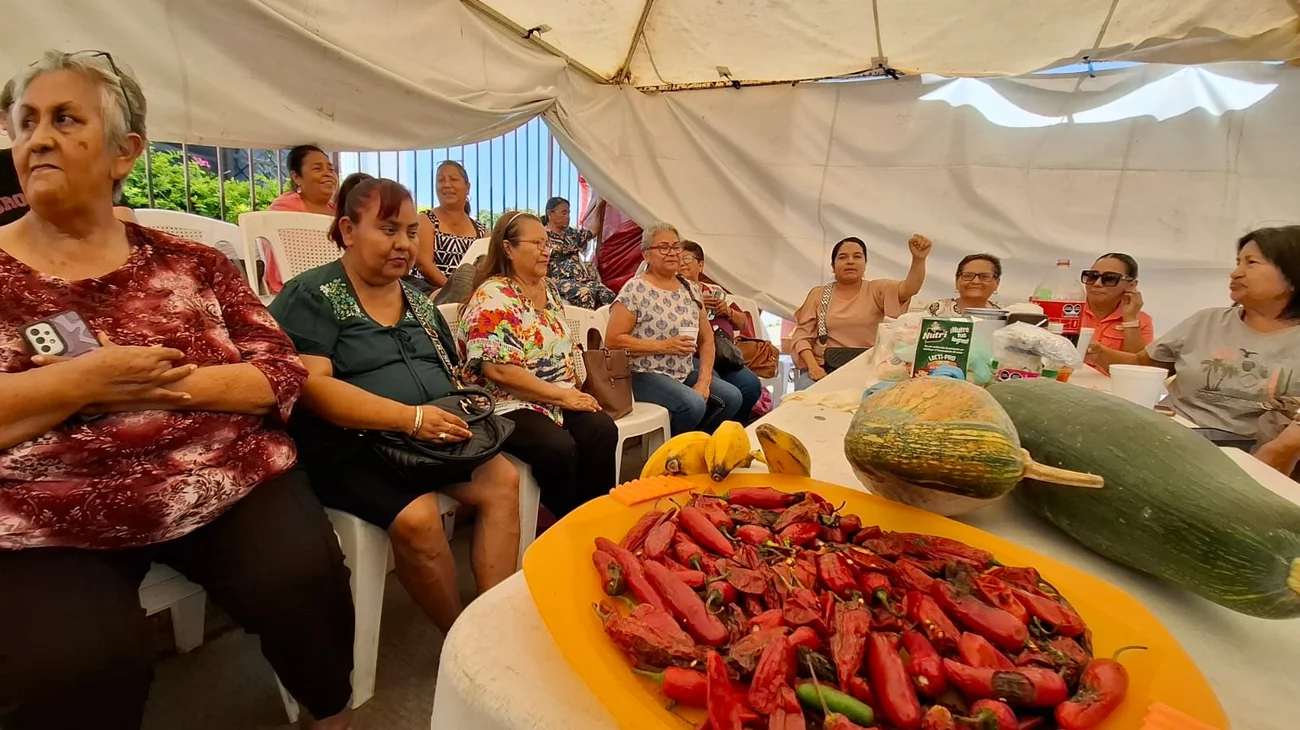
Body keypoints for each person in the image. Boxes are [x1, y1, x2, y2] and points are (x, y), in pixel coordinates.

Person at [0, 51, 354, 730]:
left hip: (219, 477)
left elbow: (279, 372)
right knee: (74, 664)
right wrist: (81, 380)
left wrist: (153, 385)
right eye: (25, 122)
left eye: (65, 119)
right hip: (45, 515)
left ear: (124, 152)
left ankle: (330, 715)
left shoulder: (193, 262)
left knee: (303, 577)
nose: (37, 138)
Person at [269, 172, 520, 634]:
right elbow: (312, 386)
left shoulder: (418, 302)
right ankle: (459, 637)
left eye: (409, 232)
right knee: (419, 518)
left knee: (503, 479)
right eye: (388, 230)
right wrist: (409, 417)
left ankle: (492, 625)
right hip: (348, 442)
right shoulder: (315, 294)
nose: (403, 244)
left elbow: (448, 371)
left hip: (427, 433)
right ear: (347, 230)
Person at [1088, 227, 1300, 476]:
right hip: (1167, 435)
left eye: (1251, 263)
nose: (1236, 273)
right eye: (1237, 262)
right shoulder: (1206, 321)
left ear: (1293, 275)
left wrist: (1280, 450)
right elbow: (1144, 366)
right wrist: (1094, 352)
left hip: (1244, 461)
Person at [458, 211, 618, 516]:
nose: (548, 250)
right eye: (538, 243)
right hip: (505, 401)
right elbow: (499, 370)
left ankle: (595, 516)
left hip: (553, 396)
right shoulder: (494, 296)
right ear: (508, 248)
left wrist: (572, 390)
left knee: (602, 429)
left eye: (548, 243)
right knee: (557, 447)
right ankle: (566, 520)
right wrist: (564, 395)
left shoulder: (549, 289)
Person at [607, 222, 747, 435]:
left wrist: (704, 382)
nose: (672, 253)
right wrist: (663, 346)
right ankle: (669, 452)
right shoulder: (635, 289)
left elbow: (707, 340)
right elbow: (613, 340)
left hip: (682, 370)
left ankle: (692, 445)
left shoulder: (689, 289)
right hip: (641, 373)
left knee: (732, 397)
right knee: (693, 404)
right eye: (663, 247)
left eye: (676, 247)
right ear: (646, 254)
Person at [791, 234, 932, 387]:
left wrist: (919, 260)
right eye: (843, 257)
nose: (850, 261)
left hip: (869, 369)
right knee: (804, 389)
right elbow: (801, 336)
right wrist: (813, 367)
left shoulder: (876, 289)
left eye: (857, 256)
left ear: (865, 264)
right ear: (833, 265)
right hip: (824, 368)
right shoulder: (819, 294)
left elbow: (909, 288)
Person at [2, 76, 136, 227]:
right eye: (28, 121)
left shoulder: (88, 167)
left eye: (64, 119)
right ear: (3, 118)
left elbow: (124, 228)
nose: (39, 139)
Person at [679, 240, 763, 421]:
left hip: (724, 355)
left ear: (700, 265)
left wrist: (728, 311)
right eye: (678, 258)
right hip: (694, 355)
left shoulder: (714, 291)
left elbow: (743, 323)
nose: (681, 263)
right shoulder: (675, 291)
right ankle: (708, 431)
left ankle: (735, 425)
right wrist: (696, 305)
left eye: (686, 258)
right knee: (720, 386)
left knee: (751, 385)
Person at [413, 159, 488, 289]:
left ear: (468, 187)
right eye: (441, 180)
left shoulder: (481, 231)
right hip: (429, 293)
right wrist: (451, 290)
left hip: (469, 297)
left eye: (453, 179)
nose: (447, 185)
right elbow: (424, 264)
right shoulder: (425, 220)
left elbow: (488, 269)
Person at [543, 195, 615, 309]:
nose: (567, 217)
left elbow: (593, 231)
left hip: (582, 280)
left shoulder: (571, 234)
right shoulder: (542, 236)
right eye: (563, 213)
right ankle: (588, 327)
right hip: (559, 281)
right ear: (550, 214)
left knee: (607, 294)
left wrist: (599, 205)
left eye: (568, 213)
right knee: (585, 294)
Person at [1079, 253, 1154, 353]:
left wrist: (1130, 320)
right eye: (1092, 276)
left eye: (1109, 278)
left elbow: (1138, 365)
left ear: (1131, 285)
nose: (1097, 283)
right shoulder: (1065, 309)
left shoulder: (1141, 320)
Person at [267, 144, 338, 215]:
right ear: (296, 177)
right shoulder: (283, 208)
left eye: (331, 169)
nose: (328, 174)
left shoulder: (340, 211)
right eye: (317, 168)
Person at [926, 253, 1003, 316]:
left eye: (985, 277)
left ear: (997, 283)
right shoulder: (936, 309)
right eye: (968, 276)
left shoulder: (1004, 314)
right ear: (956, 280)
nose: (976, 281)